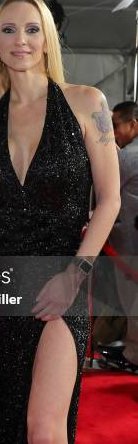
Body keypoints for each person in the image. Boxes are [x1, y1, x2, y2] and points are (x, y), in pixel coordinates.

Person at [0, 0, 120, 443]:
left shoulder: (87, 103)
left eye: (32, 29)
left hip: (62, 281)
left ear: (48, 39)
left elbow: (109, 200)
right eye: (8, 31)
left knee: (44, 426)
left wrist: (75, 275)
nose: (21, 41)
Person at [98, 101, 138, 373]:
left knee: (132, 301)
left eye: (116, 126)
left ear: (133, 124)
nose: (113, 132)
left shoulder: (127, 157)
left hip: (129, 245)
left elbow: (104, 189)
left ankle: (134, 354)